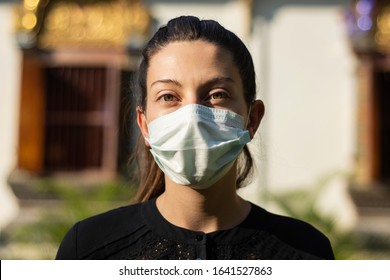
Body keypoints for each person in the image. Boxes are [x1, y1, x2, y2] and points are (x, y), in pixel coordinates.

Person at [56, 15, 334, 260]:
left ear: (252, 118)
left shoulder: (305, 252)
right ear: (144, 125)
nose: (192, 116)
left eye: (217, 95)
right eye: (169, 97)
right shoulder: (89, 250)